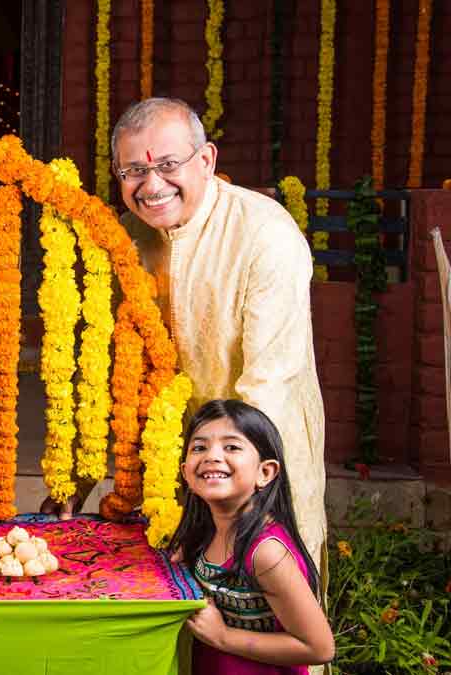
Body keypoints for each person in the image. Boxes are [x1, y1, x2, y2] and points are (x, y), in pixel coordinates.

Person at [66, 97, 326, 574]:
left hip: (257, 463)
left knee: (263, 612)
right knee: (170, 615)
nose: (152, 185)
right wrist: (78, 481)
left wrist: (225, 494)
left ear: (206, 160)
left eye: (168, 165)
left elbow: (268, 384)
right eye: (133, 172)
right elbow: (109, 373)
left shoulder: (263, 233)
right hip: (166, 470)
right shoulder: (128, 239)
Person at [169, 400, 334, 672]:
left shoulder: (266, 553)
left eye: (231, 447)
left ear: (264, 472)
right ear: (186, 471)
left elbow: (319, 647)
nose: (212, 455)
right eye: (200, 447)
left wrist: (223, 637)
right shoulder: (206, 532)